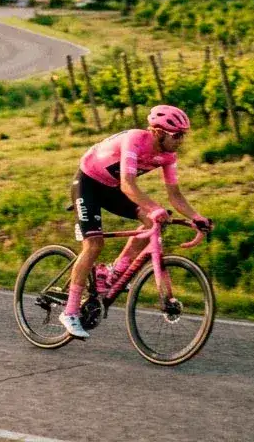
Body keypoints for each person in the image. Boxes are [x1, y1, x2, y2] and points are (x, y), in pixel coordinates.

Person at [59, 105, 210, 340]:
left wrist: (197, 217)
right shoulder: (135, 140)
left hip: (112, 188)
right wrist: (154, 208)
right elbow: (128, 184)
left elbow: (175, 195)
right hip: (88, 183)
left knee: (152, 225)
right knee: (94, 244)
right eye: (177, 135)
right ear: (159, 132)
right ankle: (69, 312)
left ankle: (113, 273)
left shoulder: (169, 156)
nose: (181, 140)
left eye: (184, 135)